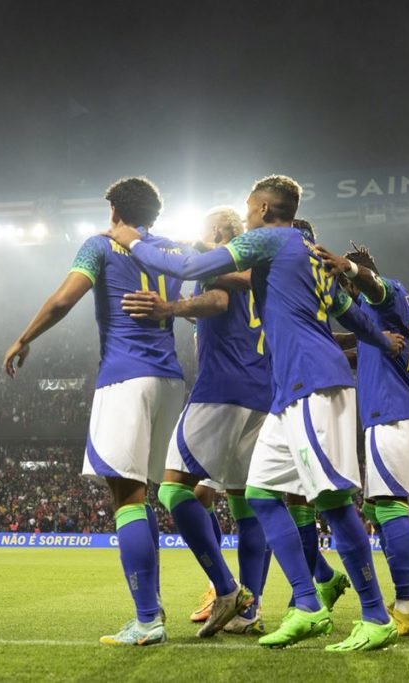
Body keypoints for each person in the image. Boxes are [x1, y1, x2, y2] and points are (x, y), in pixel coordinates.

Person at [107, 174, 403, 651]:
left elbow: (198, 264)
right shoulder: (306, 253)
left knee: (331, 501)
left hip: (313, 383)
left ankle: (375, 615)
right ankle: (307, 603)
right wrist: (378, 337)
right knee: (262, 495)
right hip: (281, 393)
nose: (246, 217)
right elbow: (347, 310)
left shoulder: (270, 238)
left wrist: (135, 240)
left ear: (265, 209)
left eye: (249, 208)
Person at [4, 177, 187, 646]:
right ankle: (153, 610)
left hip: (125, 377)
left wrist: (25, 338)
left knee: (125, 496)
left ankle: (147, 620)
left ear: (113, 211)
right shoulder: (168, 249)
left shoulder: (100, 245)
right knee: (142, 494)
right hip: (170, 380)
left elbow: (65, 297)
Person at [121, 206, 270, 636]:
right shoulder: (260, 272)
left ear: (220, 231)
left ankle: (226, 589)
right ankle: (249, 610)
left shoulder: (223, 262)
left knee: (172, 489)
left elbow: (218, 298)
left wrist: (169, 306)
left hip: (223, 387)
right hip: (261, 392)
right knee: (245, 506)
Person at [316, 241, 409, 637]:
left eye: (348, 286)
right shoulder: (385, 318)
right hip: (397, 413)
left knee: (389, 505)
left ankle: (408, 609)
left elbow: (375, 287)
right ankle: (405, 604)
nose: (347, 295)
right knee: (381, 510)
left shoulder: (387, 295)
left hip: (391, 414)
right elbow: (356, 343)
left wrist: (347, 267)